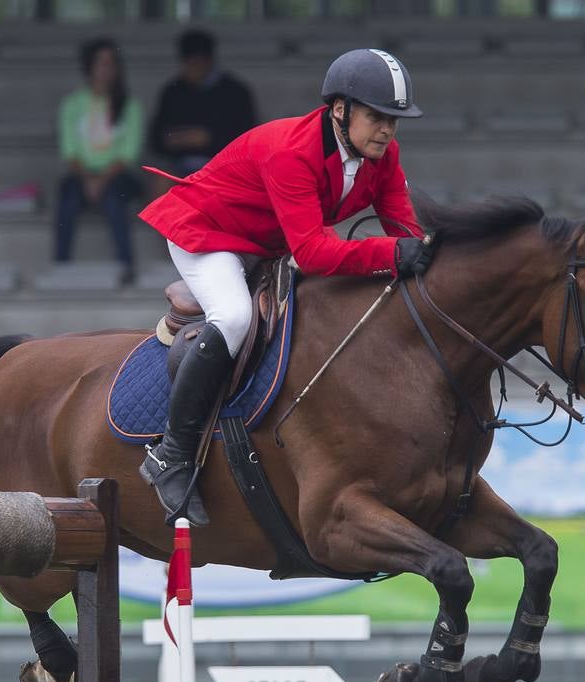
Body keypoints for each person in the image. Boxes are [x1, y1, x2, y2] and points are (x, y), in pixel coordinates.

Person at [137, 48, 433, 526]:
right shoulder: (292, 152)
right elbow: (315, 252)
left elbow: (404, 228)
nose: (387, 130)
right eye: (377, 117)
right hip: (209, 234)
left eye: (394, 120)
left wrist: (424, 253)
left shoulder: (382, 154)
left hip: (268, 242)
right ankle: (171, 453)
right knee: (233, 317)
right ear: (340, 110)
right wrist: (392, 255)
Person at [54, 37, 143, 286]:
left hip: (116, 175)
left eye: (111, 64)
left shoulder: (129, 105)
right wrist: (88, 180)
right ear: (89, 67)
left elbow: (128, 154)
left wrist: (100, 181)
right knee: (67, 198)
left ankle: (127, 266)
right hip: (83, 173)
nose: (106, 70)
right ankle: (61, 265)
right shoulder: (73, 104)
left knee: (116, 199)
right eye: (100, 63)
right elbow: (70, 150)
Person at [147, 29, 257, 188]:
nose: (192, 69)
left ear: (208, 61)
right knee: (160, 184)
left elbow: (246, 138)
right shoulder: (173, 91)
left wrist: (208, 138)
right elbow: (156, 138)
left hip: (221, 166)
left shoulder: (235, 92)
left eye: (196, 63)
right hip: (180, 166)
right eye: (187, 63)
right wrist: (172, 140)